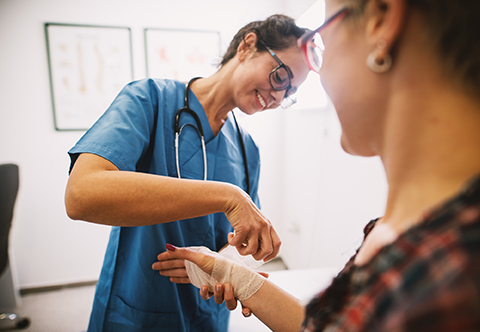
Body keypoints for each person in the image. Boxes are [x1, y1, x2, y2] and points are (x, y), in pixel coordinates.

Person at [153, 0, 480, 330]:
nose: (279, 99)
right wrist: (237, 276)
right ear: (247, 46)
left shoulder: (451, 274)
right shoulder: (401, 236)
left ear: (381, 21)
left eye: (321, 43)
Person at [65, 15, 309, 332]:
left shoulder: (248, 149)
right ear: (248, 46)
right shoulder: (149, 100)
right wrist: (228, 196)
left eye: (289, 92)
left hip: (208, 313)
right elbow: (81, 195)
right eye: (280, 77)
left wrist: (228, 268)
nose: (278, 96)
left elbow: (236, 243)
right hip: (139, 307)